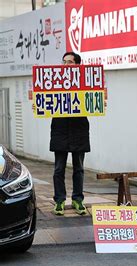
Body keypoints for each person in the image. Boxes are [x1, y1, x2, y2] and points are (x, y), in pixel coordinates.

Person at [51, 52, 89, 215]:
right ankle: (59, 200)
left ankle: (77, 199)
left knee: (78, 168)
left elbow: (93, 100)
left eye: (70, 62)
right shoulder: (53, 82)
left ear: (78, 66)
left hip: (79, 129)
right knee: (59, 168)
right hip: (60, 129)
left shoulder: (86, 81)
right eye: (64, 62)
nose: (66, 65)